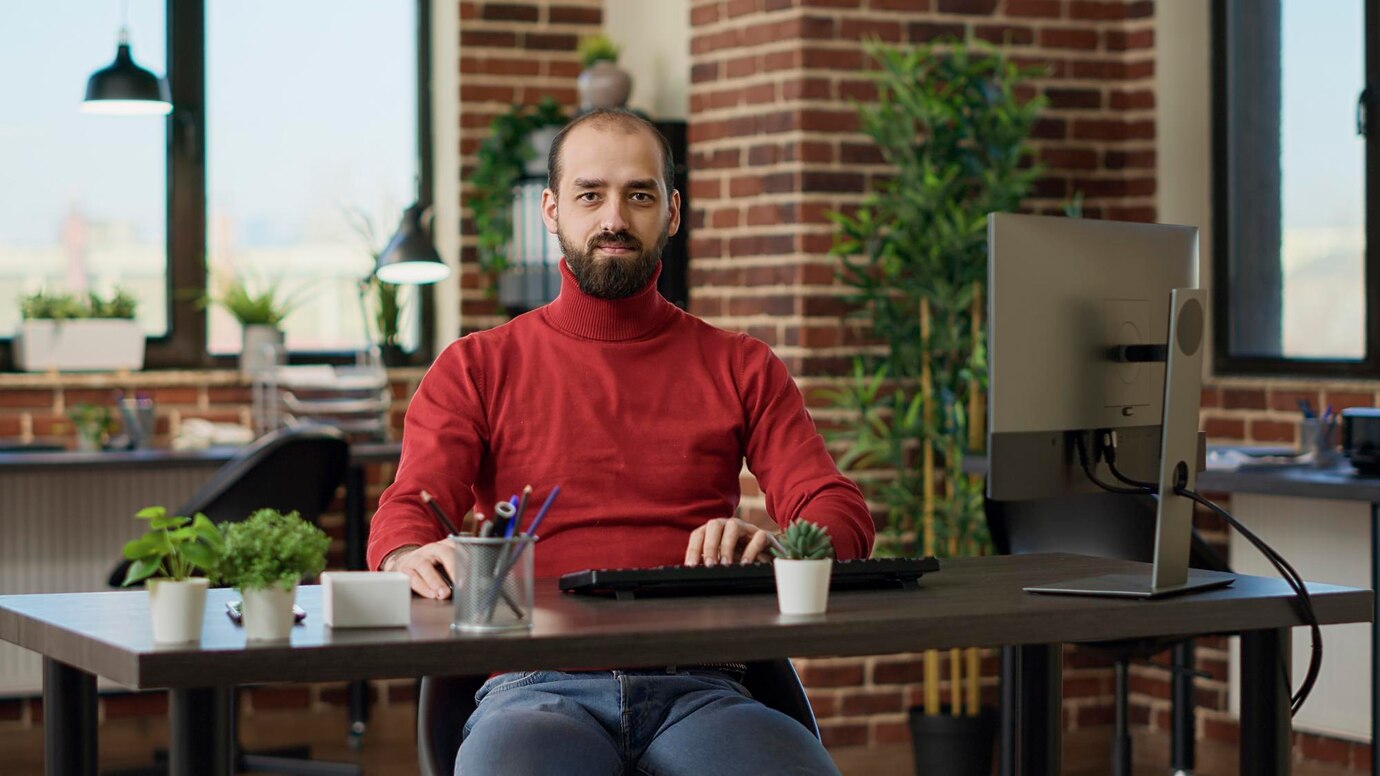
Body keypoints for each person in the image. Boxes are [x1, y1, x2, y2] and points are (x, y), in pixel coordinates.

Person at [366, 108, 874, 776]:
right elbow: (407, 512)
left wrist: (784, 549)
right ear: (551, 210)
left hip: (707, 687)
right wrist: (406, 552)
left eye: (639, 195)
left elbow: (839, 510)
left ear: (673, 212)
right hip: (531, 689)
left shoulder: (742, 364)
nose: (614, 218)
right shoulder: (475, 367)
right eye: (590, 195)